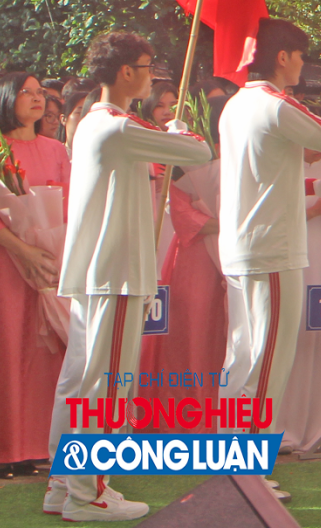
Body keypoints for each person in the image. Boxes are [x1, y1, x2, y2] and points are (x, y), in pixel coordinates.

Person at [48, 32, 210, 522]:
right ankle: (89, 494)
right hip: (116, 273)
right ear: (125, 73)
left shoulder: (99, 125)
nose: (152, 75)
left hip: (101, 270)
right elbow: (199, 152)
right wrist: (180, 127)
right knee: (106, 385)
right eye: (146, 67)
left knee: (80, 380)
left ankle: (65, 485)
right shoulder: (117, 124)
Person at [216, 20, 321, 466]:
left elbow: (269, 172)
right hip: (272, 248)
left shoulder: (236, 104)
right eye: (300, 55)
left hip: (245, 245)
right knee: (267, 362)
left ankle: (231, 463)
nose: (303, 64)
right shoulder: (274, 103)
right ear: (282, 57)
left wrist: (311, 170)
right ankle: (248, 472)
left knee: (243, 359)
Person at [0, 74, 66, 478]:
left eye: (42, 93)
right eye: (29, 92)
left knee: (46, 351)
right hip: (7, 261)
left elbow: (71, 199)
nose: (39, 99)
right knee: (9, 349)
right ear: (7, 97)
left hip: (50, 264)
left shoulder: (56, 149)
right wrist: (19, 248)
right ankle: (8, 445)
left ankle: (42, 440)